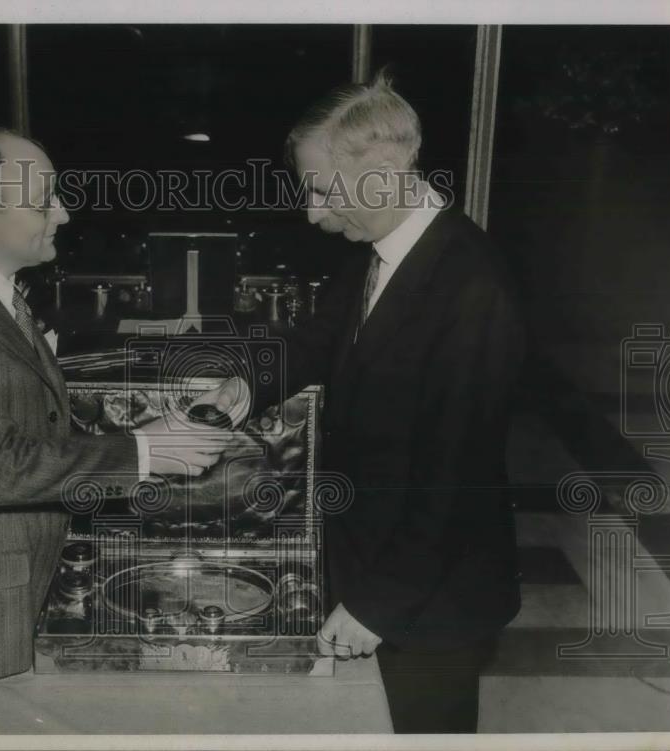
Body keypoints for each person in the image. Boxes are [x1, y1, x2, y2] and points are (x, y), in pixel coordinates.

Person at [0, 127, 235, 734]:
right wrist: (145, 451)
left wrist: (155, 427)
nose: (62, 213)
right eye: (45, 202)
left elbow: (34, 425)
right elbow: (1, 468)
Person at [221, 69, 525, 732]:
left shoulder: (472, 289)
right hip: (373, 555)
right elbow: (319, 339)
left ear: (384, 170)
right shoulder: (380, 250)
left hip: (429, 594)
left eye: (325, 189)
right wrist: (244, 388)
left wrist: (374, 607)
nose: (313, 212)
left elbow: (454, 475)